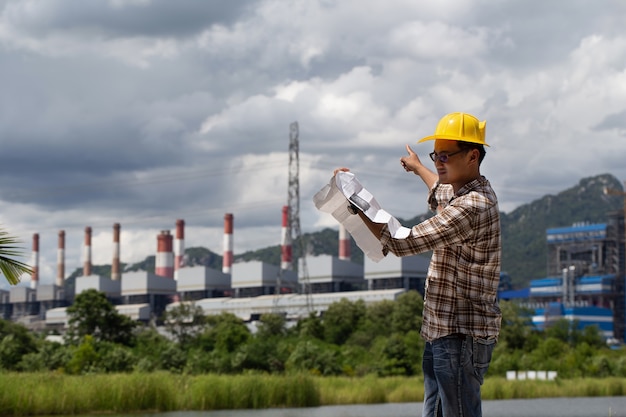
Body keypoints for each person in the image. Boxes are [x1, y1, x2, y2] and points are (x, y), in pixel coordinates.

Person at [335, 112, 501, 417]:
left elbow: (401, 242)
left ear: (472, 156)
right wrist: (417, 168)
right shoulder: (462, 190)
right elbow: (440, 189)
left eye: (446, 155)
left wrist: (355, 203)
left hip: (459, 335)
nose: (439, 162)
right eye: (435, 154)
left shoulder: (472, 205)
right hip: (441, 331)